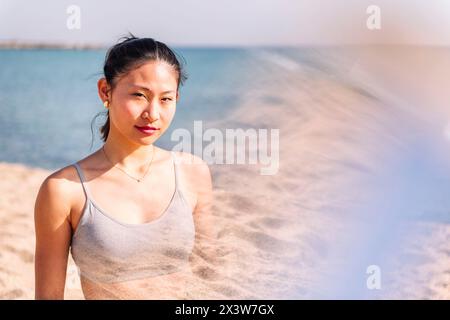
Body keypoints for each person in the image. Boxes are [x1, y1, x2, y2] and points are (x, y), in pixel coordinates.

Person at [34, 35, 214, 299]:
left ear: (177, 98)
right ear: (105, 91)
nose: (153, 113)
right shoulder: (63, 190)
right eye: (139, 95)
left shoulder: (192, 172)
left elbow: (210, 275)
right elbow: (49, 296)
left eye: (165, 99)